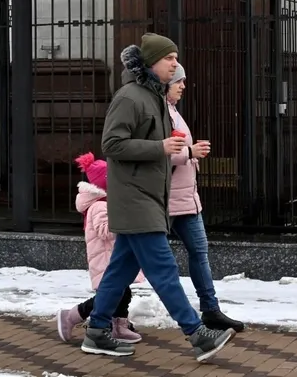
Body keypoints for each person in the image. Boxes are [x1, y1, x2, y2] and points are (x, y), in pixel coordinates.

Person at [80, 33, 234, 363]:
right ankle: (197, 334)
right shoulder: (130, 97)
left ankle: (96, 330)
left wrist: (173, 148)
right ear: (151, 63)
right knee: (164, 269)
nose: (175, 64)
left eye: (176, 58)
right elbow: (112, 144)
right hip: (135, 200)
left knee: (118, 271)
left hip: (150, 198)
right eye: (169, 58)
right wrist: (159, 147)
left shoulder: (156, 99)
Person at [166, 64, 246, 334]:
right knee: (138, 261)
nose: (183, 86)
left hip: (186, 199)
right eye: (179, 81)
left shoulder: (173, 111)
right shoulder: (160, 111)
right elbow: (161, 153)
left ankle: (210, 309)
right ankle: (104, 310)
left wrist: (190, 152)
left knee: (199, 251)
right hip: (168, 200)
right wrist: (191, 152)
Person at [56, 152, 144, 345]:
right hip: (105, 260)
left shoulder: (105, 203)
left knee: (121, 293)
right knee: (111, 294)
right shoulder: (99, 206)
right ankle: (72, 316)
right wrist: (125, 219)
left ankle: (118, 325)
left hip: (113, 257)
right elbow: (106, 231)